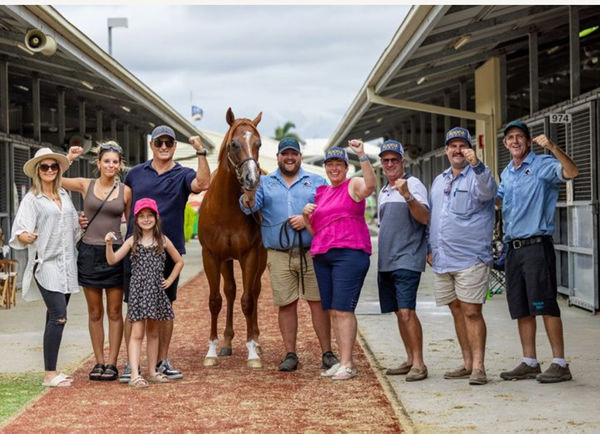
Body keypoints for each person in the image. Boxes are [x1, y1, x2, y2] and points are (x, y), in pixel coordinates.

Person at [118, 125, 210, 382]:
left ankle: (161, 360)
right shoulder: (135, 173)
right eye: (159, 143)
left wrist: (200, 151)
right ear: (152, 145)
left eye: (168, 143)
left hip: (168, 251)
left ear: (174, 146)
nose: (164, 147)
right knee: (133, 307)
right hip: (136, 251)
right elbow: (121, 206)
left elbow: (203, 183)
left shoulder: (183, 173)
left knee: (165, 306)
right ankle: (131, 365)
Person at [239, 137, 338, 372]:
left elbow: (328, 211)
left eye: (294, 154)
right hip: (278, 253)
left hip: (312, 252)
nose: (290, 158)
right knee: (286, 304)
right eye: (285, 154)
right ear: (278, 157)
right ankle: (290, 353)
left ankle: (327, 352)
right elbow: (249, 207)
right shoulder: (265, 182)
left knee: (318, 303)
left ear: (300, 156)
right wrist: (248, 191)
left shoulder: (316, 181)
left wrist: (307, 221)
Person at [496, 120, 578, 383]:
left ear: (529, 141)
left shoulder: (542, 165)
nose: (515, 141)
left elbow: (572, 171)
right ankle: (530, 361)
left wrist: (553, 147)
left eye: (520, 136)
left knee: (545, 303)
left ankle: (560, 362)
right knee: (521, 307)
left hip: (536, 245)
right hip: (513, 248)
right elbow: (497, 200)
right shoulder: (507, 172)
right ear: (505, 143)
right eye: (511, 137)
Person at [428, 127, 497, 386]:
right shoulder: (439, 180)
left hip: (470, 258)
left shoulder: (479, 175)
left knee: (471, 311)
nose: (457, 150)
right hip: (443, 258)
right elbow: (434, 217)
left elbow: (489, 192)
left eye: (462, 145)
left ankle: (479, 367)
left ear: (470, 149)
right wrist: (429, 247)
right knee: (456, 310)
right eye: (452, 146)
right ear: (446, 150)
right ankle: (467, 363)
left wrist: (477, 164)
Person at [303, 141, 375, 380]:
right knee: (333, 310)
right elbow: (316, 232)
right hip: (323, 255)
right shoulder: (322, 193)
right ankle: (342, 360)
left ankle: (348, 363)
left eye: (339, 164)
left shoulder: (352, 184)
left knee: (344, 309)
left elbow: (370, 186)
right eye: (330, 164)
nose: (334, 169)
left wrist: (362, 155)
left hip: (349, 253)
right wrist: (305, 217)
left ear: (346, 167)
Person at [9, 148, 80, 387]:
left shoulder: (64, 195)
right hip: (46, 263)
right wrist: (25, 236)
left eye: (53, 166)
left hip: (67, 264)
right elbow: (19, 230)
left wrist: (79, 223)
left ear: (58, 170)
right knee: (59, 316)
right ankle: (49, 374)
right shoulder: (32, 199)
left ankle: (52, 370)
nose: (49, 170)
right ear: (37, 171)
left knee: (54, 316)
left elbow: (71, 230)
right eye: (44, 167)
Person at [62, 141, 132, 382]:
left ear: (120, 165)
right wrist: (69, 157)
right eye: (106, 161)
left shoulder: (125, 191)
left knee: (114, 311)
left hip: (114, 253)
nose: (111, 165)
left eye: (115, 161)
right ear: (98, 163)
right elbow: (52, 178)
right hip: (89, 253)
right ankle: (98, 362)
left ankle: (112, 363)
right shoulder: (85, 185)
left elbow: (132, 225)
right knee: (94, 312)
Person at [105, 197, 183, 388]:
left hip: (156, 292)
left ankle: (153, 372)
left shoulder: (163, 240)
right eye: (142, 216)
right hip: (139, 293)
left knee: (154, 333)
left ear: (156, 218)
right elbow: (113, 260)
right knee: (137, 333)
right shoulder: (133, 241)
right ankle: (134, 374)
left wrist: (170, 280)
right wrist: (108, 244)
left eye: (150, 215)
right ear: (136, 220)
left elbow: (179, 261)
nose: (146, 219)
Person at [377, 139, 429, 382]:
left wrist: (407, 195)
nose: (389, 164)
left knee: (407, 311)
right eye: (385, 161)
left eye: (394, 160)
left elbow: (424, 217)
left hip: (407, 258)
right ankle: (409, 359)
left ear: (402, 162)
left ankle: (419, 362)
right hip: (387, 260)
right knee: (399, 312)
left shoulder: (414, 184)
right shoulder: (383, 192)